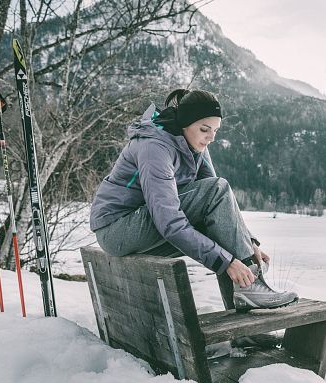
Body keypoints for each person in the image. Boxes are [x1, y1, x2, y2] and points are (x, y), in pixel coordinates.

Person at [89, 88, 298, 312]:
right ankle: (250, 285)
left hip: (142, 226)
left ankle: (244, 320)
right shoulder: (154, 147)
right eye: (205, 129)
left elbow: (219, 206)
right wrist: (229, 262)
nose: (211, 137)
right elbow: (175, 218)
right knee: (218, 193)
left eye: (216, 130)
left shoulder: (194, 144)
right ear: (185, 124)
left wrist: (249, 242)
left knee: (219, 223)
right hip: (117, 228)